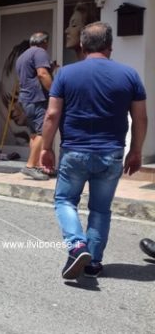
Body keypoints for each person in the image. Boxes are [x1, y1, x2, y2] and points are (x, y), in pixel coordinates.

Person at [40, 22, 147, 279]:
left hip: (74, 151)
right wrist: (136, 151)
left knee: (65, 200)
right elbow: (141, 118)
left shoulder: (66, 74)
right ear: (110, 46)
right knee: (101, 209)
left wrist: (45, 148)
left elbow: (52, 115)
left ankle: (77, 245)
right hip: (111, 153)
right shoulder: (130, 75)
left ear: (82, 45)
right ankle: (94, 262)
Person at [15, 31, 54, 180]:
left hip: (26, 100)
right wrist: (55, 91)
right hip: (37, 99)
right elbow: (42, 74)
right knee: (42, 133)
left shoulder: (23, 56)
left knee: (34, 135)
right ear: (44, 42)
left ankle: (37, 166)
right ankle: (30, 166)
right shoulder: (40, 52)